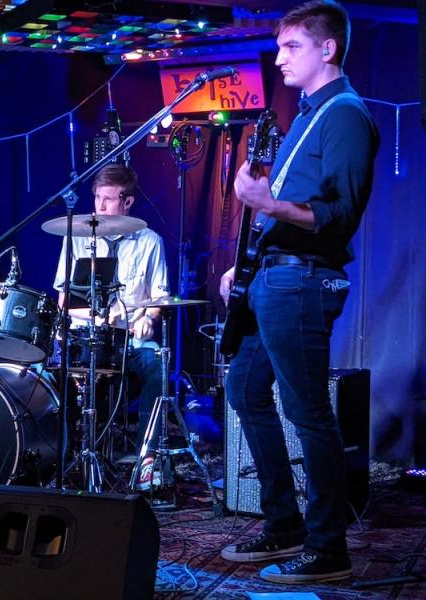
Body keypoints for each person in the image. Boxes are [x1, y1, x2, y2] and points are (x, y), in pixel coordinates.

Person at [218, 0, 379, 584]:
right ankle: (282, 521)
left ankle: (327, 545)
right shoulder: (308, 114)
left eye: (292, 47)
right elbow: (284, 211)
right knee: (243, 388)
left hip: (304, 279)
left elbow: (337, 213)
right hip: (275, 274)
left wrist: (268, 206)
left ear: (327, 48)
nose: (279, 57)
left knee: (307, 410)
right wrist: (251, 260)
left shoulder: (345, 115)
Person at [53, 163, 169, 490]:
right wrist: (95, 317)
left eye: (108, 199)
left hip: (129, 343)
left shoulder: (150, 241)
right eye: (97, 198)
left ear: (128, 202)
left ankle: (148, 459)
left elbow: (161, 297)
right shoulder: (77, 237)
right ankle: (62, 457)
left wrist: (148, 317)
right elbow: (63, 298)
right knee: (53, 372)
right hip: (87, 337)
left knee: (157, 367)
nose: (100, 207)